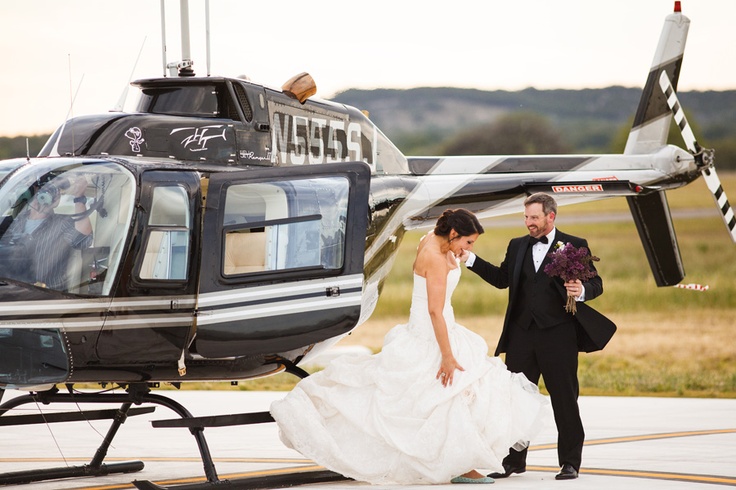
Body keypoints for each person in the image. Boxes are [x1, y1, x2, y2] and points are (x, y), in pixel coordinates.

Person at [271, 208, 551, 485]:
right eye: (467, 242)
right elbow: (434, 311)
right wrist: (448, 356)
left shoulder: (430, 238)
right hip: (432, 333)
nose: (468, 248)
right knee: (450, 393)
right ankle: (460, 465)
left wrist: (458, 255)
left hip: (433, 326)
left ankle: (458, 462)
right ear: (453, 234)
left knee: (456, 397)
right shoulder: (436, 258)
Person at [460, 192, 616, 481]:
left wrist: (581, 291)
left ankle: (570, 462)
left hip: (559, 335)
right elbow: (502, 279)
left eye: (534, 217)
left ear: (550, 217)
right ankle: (513, 460)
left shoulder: (573, 245)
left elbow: (596, 283)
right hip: (521, 335)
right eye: (525, 217)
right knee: (516, 399)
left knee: (564, 399)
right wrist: (471, 259)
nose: (528, 222)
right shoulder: (517, 245)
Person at [0, 175, 92, 290]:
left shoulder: (62, 223)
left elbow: (83, 240)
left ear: (58, 198)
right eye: (41, 189)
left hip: (46, 296)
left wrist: (79, 198)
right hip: (9, 292)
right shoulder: (12, 221)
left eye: (53, 191)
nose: (44, 193)